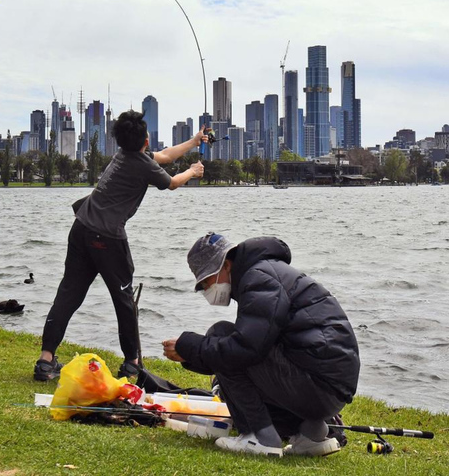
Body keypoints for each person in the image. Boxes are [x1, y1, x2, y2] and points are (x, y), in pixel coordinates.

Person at [34, 110, 206, 381]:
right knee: (124, 300)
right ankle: (132, 364)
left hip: (81, 228)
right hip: (107, 238)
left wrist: (194, 142)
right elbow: (172, 183)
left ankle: (45, 362)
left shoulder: (123, 156)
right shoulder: (142, 163)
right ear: (145, 141)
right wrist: (192, 171)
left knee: (68, 294)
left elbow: (165, 156)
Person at [162, 232, 360, 457]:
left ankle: (259, 437)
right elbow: (257, 348)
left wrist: (191, 345)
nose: (207, 291)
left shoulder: (257, 279)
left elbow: (245, 350)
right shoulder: (264, 273)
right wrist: (190, 354)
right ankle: (310, 434)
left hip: (317, 385)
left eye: (206, 282)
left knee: (220, 333)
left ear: (226, 265)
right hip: (328, 388)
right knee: (226, 346)